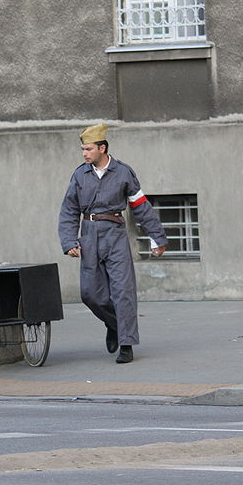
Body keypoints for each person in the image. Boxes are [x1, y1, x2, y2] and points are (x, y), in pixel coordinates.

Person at [58, 123, 167, 364]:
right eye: (83, 149)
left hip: (115, 234)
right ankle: (114, 324)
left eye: (88, 149)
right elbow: (69, 210)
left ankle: (126, 344)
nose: (84, 154)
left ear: (102, 148)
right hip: (88, 235)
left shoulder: (123, 172)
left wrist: (156, 237)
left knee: (123, 291)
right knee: (90, 294)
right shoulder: (79, 175)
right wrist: (68, 241)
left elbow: (140, 206)